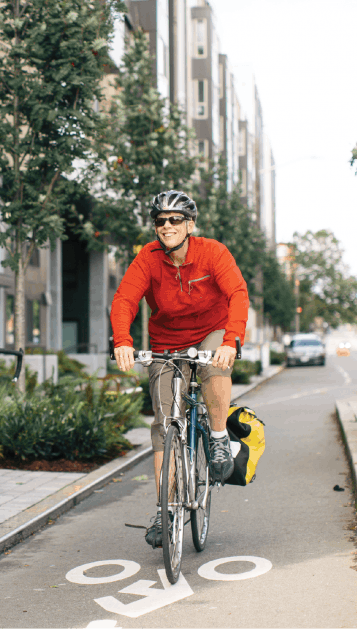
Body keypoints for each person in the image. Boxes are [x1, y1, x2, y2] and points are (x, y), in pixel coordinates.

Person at [110, 190, 249, 548]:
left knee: (214, 366)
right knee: (164, 424)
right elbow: (125, 299)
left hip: (212, 331)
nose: (167, 226)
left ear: (190, 224)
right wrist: (122, 340)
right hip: (167, 340)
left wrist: (231, 340)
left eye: (175, 220)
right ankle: (165, 508)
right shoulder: (149, 257)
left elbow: (237, 294)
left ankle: (218, 438)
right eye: (160, 220)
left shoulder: (213, 252)